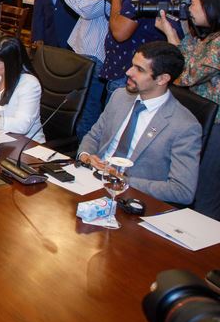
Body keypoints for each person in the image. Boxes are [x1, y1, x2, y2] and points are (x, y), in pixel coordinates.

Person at [77, 41, 201, 205]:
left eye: (140, 70)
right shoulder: (120, 96)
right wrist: (86, 156)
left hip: (132, 199)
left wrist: (122, 180)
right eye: (132, 65)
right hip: (89, 182)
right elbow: (94, 136)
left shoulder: (184, 126)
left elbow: (182, 191)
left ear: (162, 79)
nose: (128, 72)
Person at [156, 0, 220, 218]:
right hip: (200, 119)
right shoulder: (205, 37)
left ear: (210, 7)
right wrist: (178, 30)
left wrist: (170, 34)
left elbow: (185, 74)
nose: (188, 9)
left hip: (217, 125)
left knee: (205, 190)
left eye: (193, 4)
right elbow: (186, 57)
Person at [38, 0, 109, 139]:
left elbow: (86, 8)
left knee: (87, 108)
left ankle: (82, 148)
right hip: (81, 49)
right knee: (76, 104)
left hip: (95, 55)